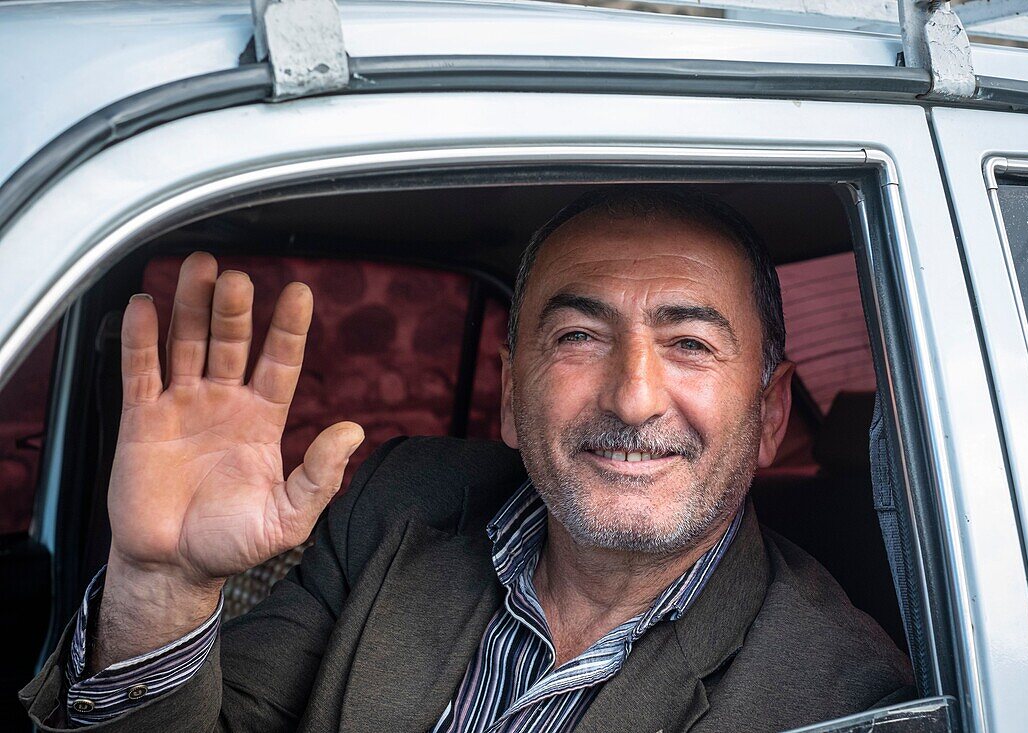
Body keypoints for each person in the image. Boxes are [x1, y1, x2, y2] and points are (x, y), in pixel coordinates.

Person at [21, 187, 913, 732]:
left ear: (768, 416)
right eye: (577, 334)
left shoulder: (848, 697)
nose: (634, 396)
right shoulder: (401, 501)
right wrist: (163, 586)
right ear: (511, 398)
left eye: (687, 343)